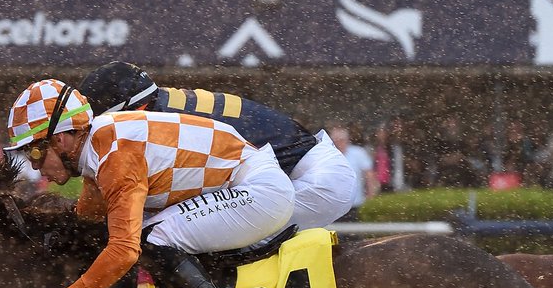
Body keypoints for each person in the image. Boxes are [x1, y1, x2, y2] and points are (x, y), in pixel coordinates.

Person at [4, 78, 294, 288]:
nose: (34, 166)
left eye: (36, 152)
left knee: (152, 236)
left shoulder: (114, 158)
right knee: (149, 231)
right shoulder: (99, 145)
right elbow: (89, 215)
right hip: (248, 183)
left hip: (259, 192)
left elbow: (124, 251)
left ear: (61, 139)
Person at [77, 61, 357, 231]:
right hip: (310, 169)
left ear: (135, 107)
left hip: (313, 181)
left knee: (163, 231)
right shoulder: (161, 106)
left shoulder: (158, 123)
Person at [329, 125, 372, 220]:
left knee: (354, 231)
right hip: (333, 205)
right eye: (335, 140)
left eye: (341, 140)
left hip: (355, 203)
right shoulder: (328, 154)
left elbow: (369, 174)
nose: (338, 143)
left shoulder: (358, 153)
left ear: (347, 140)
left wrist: (370, 194)